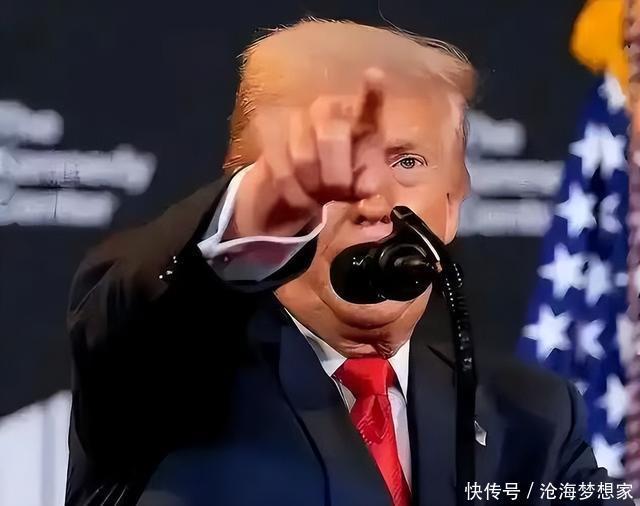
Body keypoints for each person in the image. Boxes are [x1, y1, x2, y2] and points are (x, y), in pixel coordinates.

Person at [64, 18, 632, 506]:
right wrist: (255, 212)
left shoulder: (533, 417)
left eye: (407, 162)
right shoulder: (166, 372)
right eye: (333, 165)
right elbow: (131, 312)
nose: (374, 203)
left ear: (454, 201)